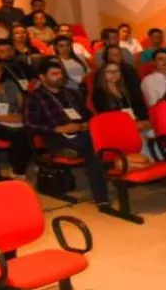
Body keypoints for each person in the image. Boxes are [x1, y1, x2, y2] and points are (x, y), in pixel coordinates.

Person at [24, 59, 109, 206]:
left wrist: (86, 123)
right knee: (93, 149)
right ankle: (101, 197)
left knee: (104, 140)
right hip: (56, 137)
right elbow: (30, 124)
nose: (59, 76)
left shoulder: (71, 93)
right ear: (42, 77)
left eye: (61, 73)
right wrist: (58, 129)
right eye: (54, 74)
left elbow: (87, 113)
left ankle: (119, 175)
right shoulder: (35, 97)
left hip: (81, 131)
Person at [92, 61, 151, 130]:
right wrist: (131, 124)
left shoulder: (127, 88)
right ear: (102, 74)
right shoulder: (99, 93)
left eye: (117, 71)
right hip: (117, 126)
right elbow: (106, 116)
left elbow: (139, 106)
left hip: (137, 123)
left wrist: (144, 121)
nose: (114, 74)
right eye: (109, 71)